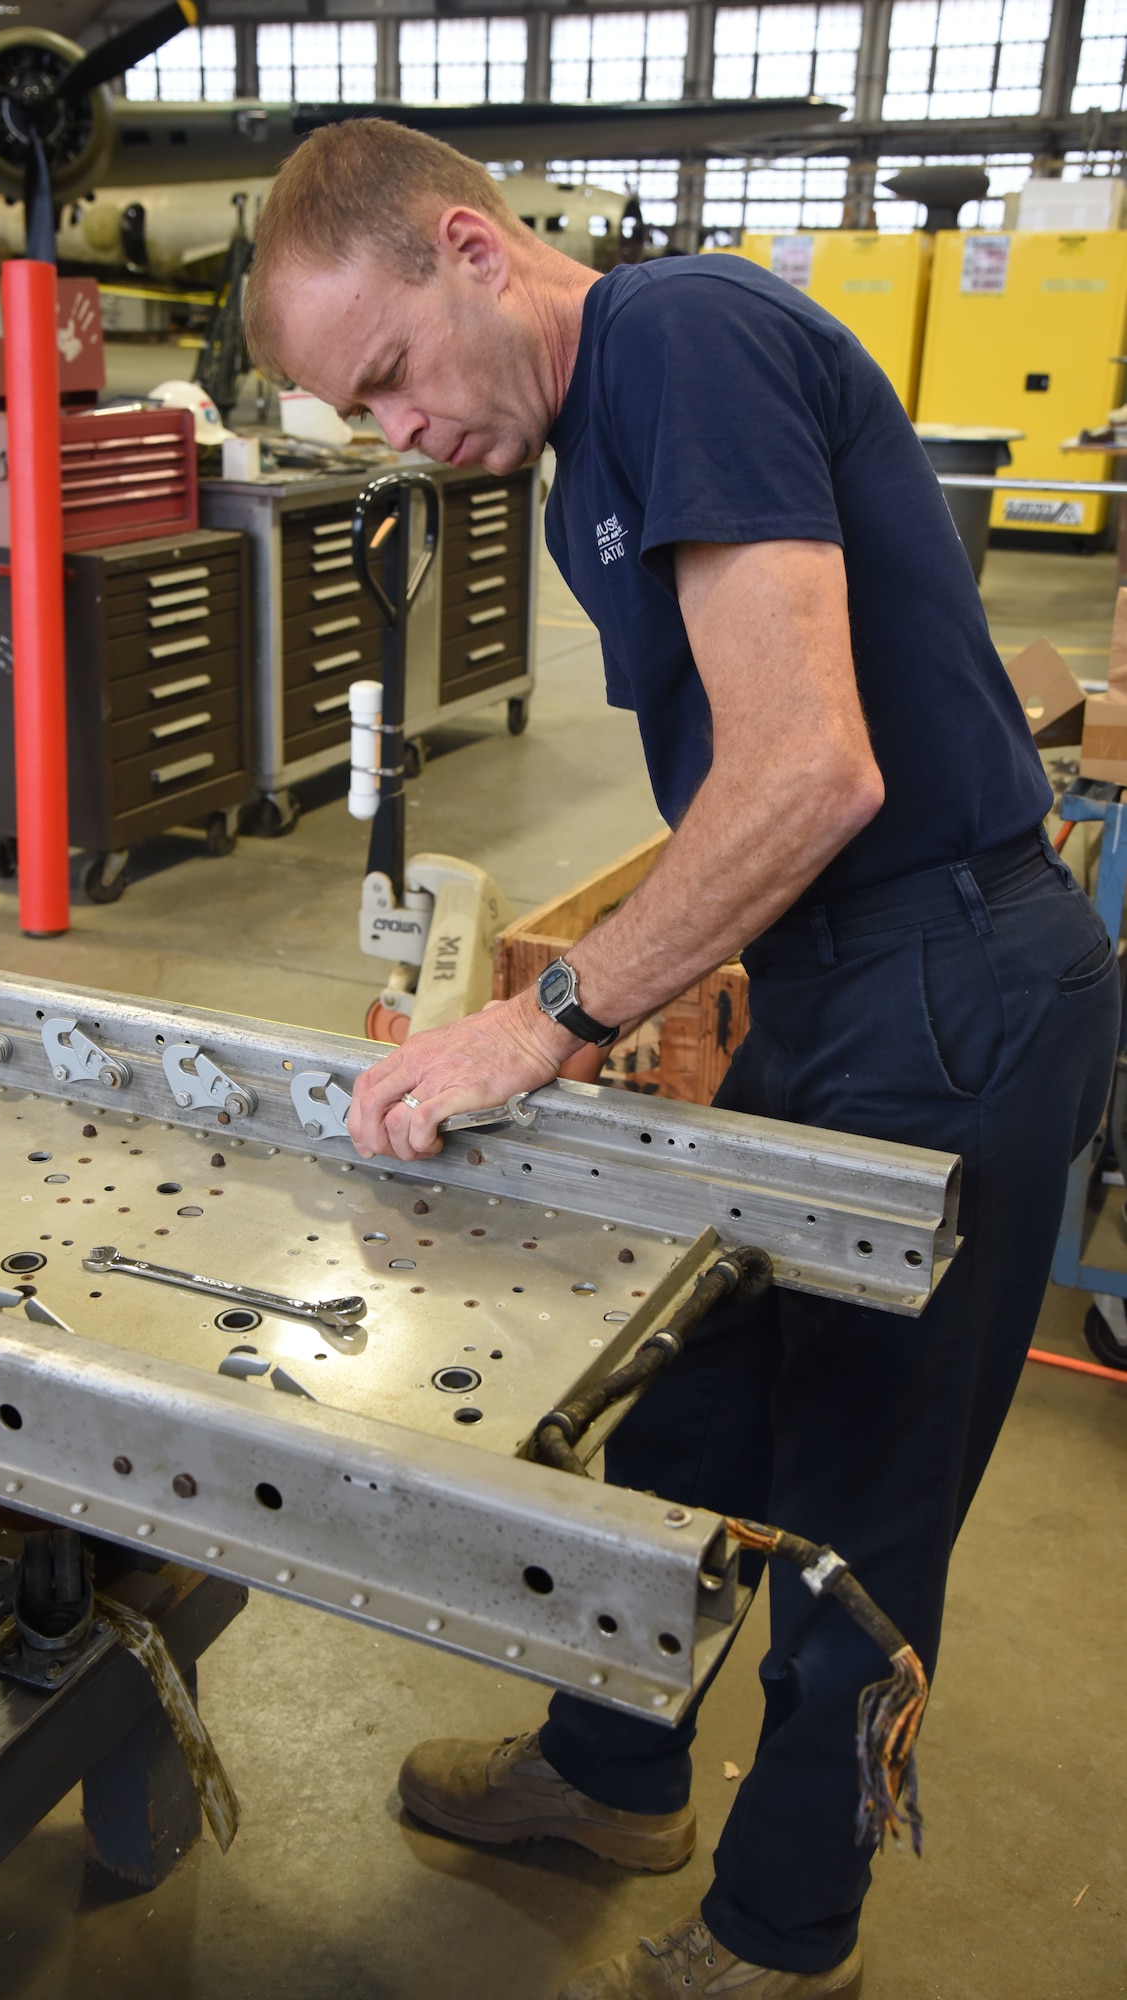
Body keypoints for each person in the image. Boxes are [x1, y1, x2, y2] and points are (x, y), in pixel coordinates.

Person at [243, 120, 1120, 2000]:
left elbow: (811, 771)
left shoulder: (677, 339)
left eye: (386, 374)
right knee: (690, 1423)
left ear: (469, 250)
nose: (394, 433)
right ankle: (611, 1771)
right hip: (835, 979)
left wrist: (542, 1022)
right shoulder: (585, 463)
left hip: (951, 984)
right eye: (352, 413)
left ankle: (786, 1939)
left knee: (860, 1518)